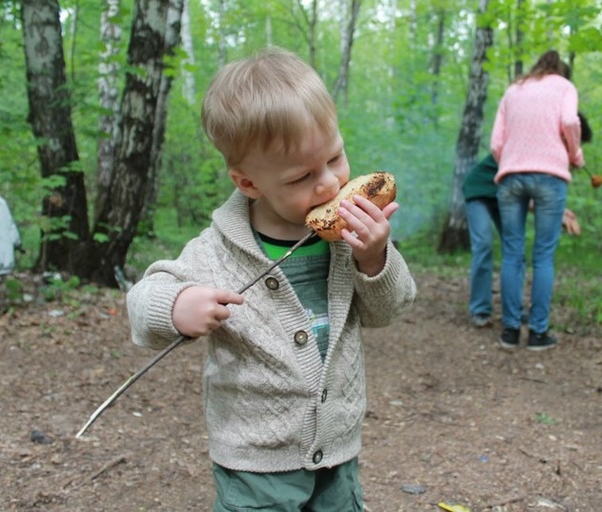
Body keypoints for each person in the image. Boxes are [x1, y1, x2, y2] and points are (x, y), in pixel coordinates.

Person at [125, 47, 417, 511]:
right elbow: (143, 301)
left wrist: (375, 258)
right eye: (302, 176)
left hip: (337, 447)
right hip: (254, 458)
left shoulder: (349, 239)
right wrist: (177, 304)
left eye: (335, 158)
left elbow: (390, 309)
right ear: (249, 184)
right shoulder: (220, 250)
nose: (327, 183)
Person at [490, 49, 585, 351]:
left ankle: (509, 331)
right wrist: (576, 155)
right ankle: (538, 334)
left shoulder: (513, 89)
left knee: (512, 254)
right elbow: (570, 121)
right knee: (543, 256)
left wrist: (509, 163)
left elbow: (495, 143)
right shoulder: (564, 86)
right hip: (550, 176)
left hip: (510, 176)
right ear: (561, 70)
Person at [463, 112, 591, 328]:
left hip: (501, 196)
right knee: (483, 245)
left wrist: (560, 212)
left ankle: (514, 308)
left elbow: (526, 196)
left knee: (515, 250)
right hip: (479, 191)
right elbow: (520, 189)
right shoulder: (530, 145)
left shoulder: (548, 153)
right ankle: (480, 309)